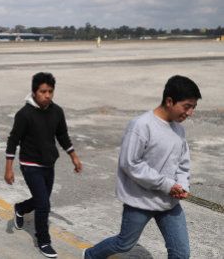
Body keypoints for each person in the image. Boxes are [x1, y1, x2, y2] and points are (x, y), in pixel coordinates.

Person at [84, 75, 201, 259]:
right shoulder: (141, 126)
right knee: (124, 243)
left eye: (193, 107)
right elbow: (131, 164)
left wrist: (182, 185)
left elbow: (183, 164)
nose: (190, 112)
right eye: (187, 106)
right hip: (140, 201)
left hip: (169, 202)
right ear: (169, 101)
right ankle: (90, 255)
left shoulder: (179, 130)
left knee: (181, 253)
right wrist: (167, 185)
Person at [4, 72, 83, 258]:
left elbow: (62, 135)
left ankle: (20, 209)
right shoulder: (24, 114)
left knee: (42, 201)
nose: (47, 95)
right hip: (30, 163)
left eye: (50, 91)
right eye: (43, 91)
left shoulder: (57, 111)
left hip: (48, 164)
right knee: (44, 204)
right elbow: (12, 141)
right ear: (34, 92)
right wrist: (9, 168)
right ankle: (43, 241)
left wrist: (74, 157)